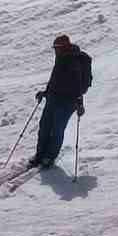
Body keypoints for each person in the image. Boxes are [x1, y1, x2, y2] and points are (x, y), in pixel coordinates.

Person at [28, 35, 92, 168]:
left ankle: (50, 157)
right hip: (53, 98)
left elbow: (81, 85)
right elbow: (54, 79)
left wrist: (80, 103)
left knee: (57, 129)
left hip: (68, 102)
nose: (55, 51)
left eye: (57, 48)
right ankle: (40, 154)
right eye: (55, 48)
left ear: (64, 47)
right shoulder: (60, 57)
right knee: (44, 127)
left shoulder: (77, 60)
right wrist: (45, 92)